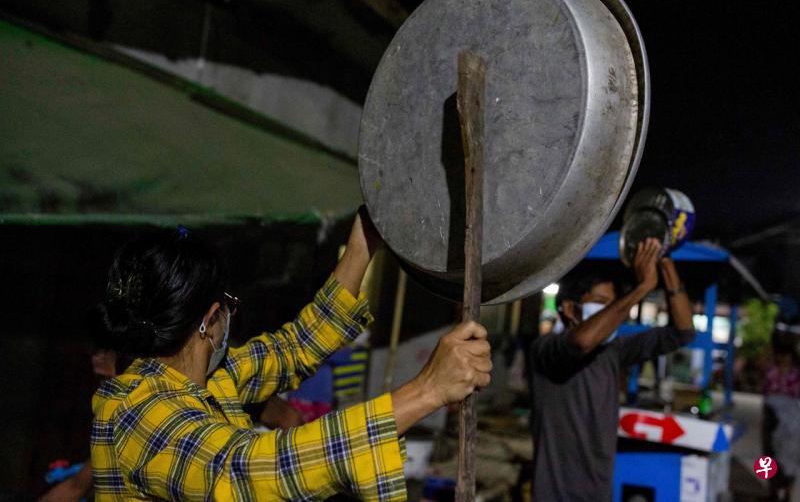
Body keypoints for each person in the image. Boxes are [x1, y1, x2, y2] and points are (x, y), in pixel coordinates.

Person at [90, 210, 492, 500]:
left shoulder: (209, 379)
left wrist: (362, 243)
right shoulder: (134, 412)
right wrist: (425, 391)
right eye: (228, 305)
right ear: (210, 319)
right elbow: (249, 470)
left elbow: (296, 347)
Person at [528, 238, 695, 501]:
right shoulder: (546, 350)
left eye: (613, 304)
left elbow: (682, 332)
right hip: (554, 494)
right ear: (570, 309)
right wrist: (641, 289)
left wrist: (664, 260)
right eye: (600, 303)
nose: (612, 313)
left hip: (598, 492)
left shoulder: (613, 351)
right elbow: (582, 341)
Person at [762, 302, 800, 502]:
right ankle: (771, 489)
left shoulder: (795, 370)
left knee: (790, 452)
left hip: (790, 415)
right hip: (772, 411)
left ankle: (786, 490)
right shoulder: (773, 367)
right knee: (768, 452)